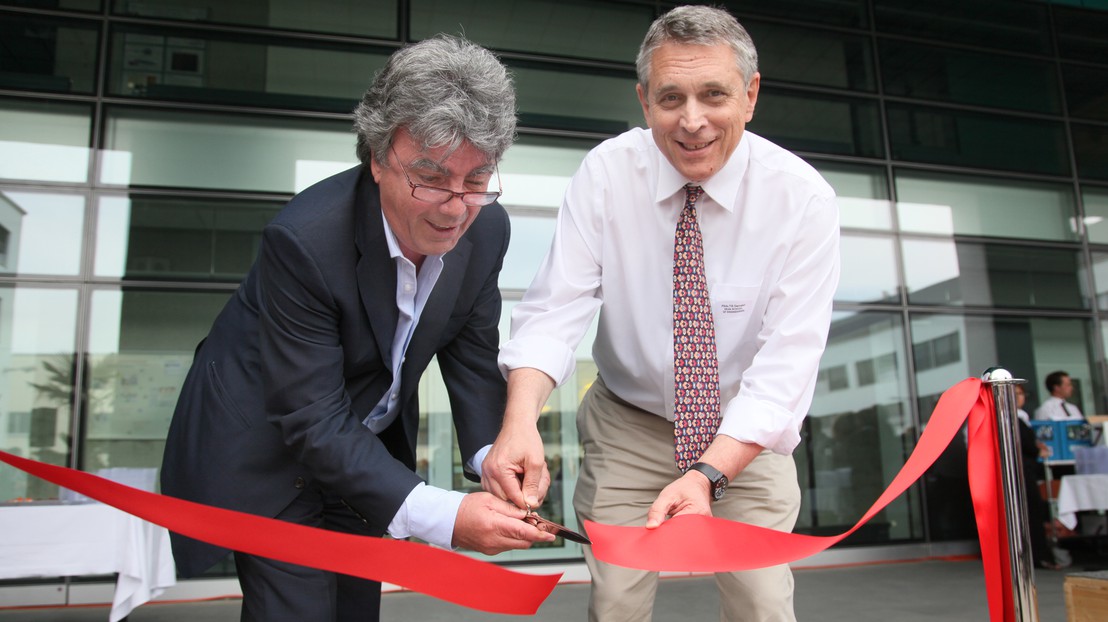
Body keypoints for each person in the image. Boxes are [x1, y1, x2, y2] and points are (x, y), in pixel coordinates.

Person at [160, 35, 554, 622]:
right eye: (431, 177)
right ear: (376, 157)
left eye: (477, 181)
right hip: (269, 438)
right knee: (297, 609)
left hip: (361, 446)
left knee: (353, 606)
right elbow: (310, 417)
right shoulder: (305, 241)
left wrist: (492, 451)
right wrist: (444, 516)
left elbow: (471, 353)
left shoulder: (487, 229)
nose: (454, 209)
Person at [483, 6, 840, 620]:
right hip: (629, 423)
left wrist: (708, 474)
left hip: (745, 433)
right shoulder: (606, 173)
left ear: (750, 96)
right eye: (671, 97)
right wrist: (518, 424)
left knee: (761, 602)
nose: (692, 121)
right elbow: (554, 310)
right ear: (644, 100)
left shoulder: (802, 200)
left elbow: (787, 368)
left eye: (714, 95)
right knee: (617, 599)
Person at [1015, 384, 1063, 570]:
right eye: (1016, 394)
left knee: (1032, 513)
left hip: (1027, 471)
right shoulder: (1013, 419)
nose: (1020, 397)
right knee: (1031, 514)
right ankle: (1038, 556)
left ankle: (1037, 555)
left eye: (1021, 393)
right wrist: (1037, 450)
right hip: (1022, 473)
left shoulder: (1022, 418)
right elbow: (1025, 446)